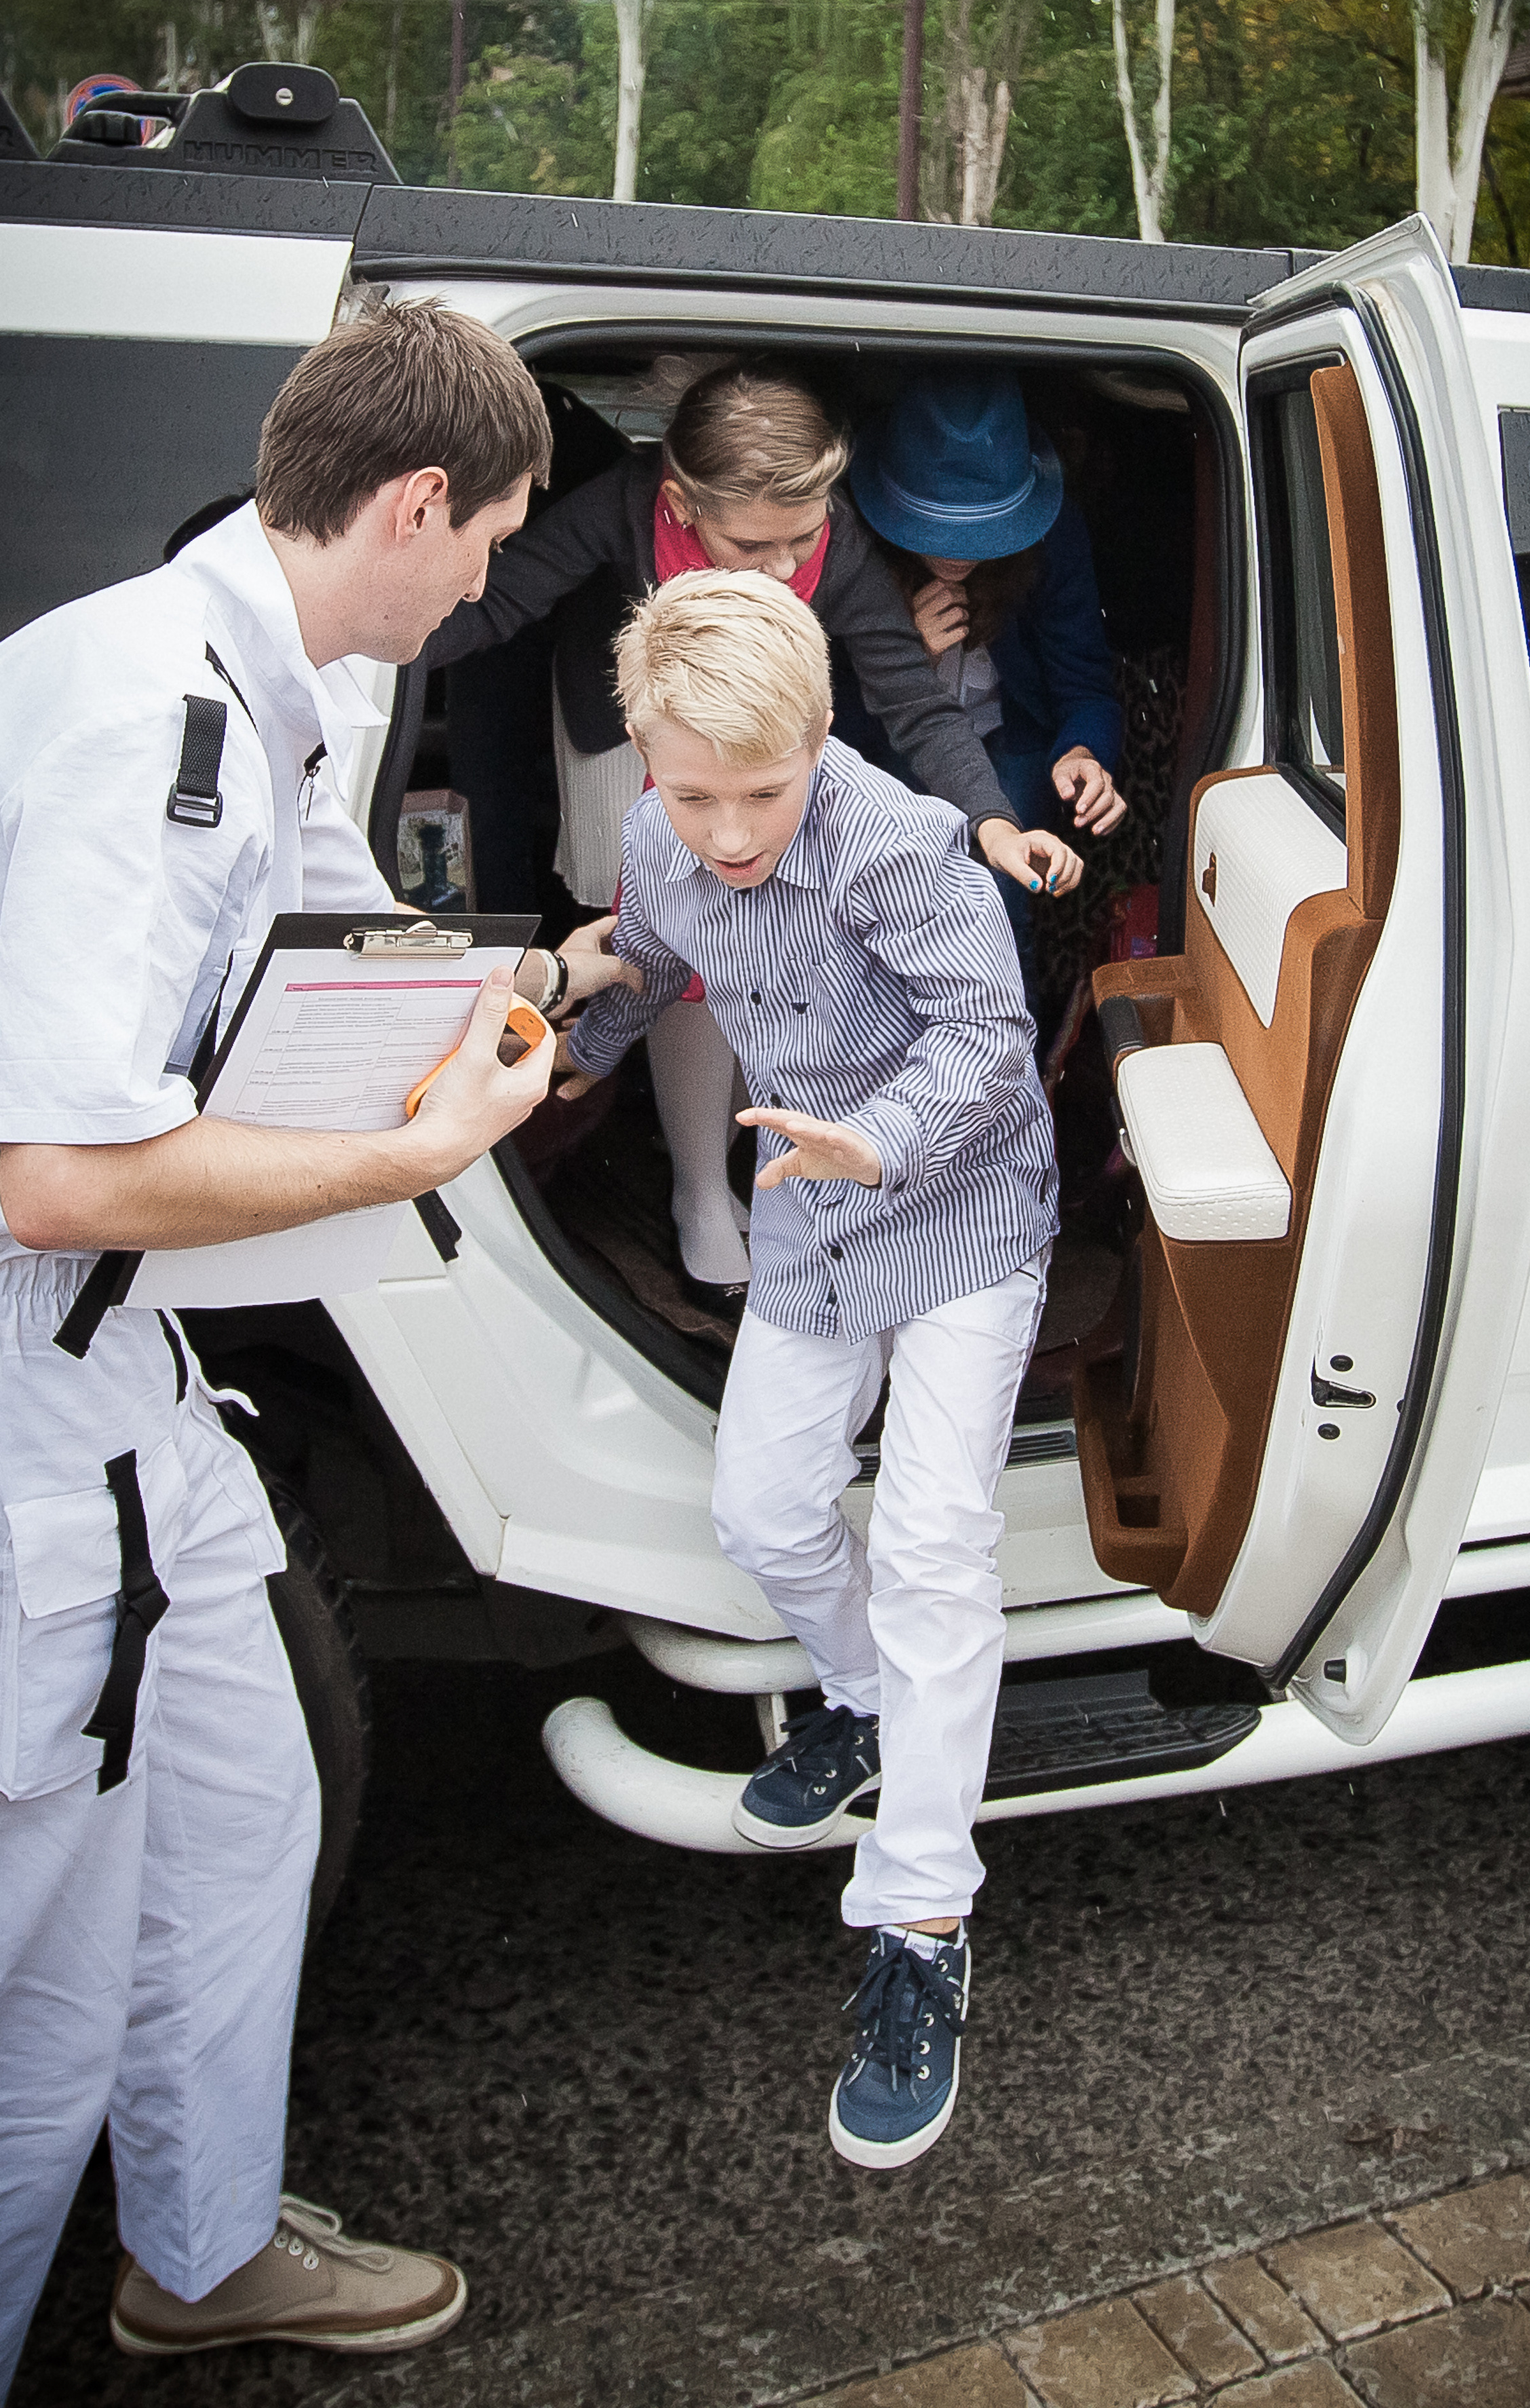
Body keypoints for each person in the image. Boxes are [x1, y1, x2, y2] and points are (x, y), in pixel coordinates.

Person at [0, 298, 634, 2390]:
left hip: (129, 1394)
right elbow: (55, 1173)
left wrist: (540, 985)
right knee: (49, 1985)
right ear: (421, 497)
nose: (483, 590)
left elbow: (361, 961)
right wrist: (409, 1158)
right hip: (29, 1419)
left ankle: (194, 2245)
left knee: (250, 1801)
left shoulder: (251, 691)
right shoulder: (160, 729)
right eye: (486, 544)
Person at [557, 569, 1058, 2170]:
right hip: (809, 1226)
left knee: (924, 1546)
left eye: (756, 792)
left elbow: (985, 1041)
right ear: (645, 761)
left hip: (964, 1213)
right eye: (687, 791)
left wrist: (880, 1138)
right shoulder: (660, 841)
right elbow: (640, 963)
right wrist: (536, 1050)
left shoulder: (902, 846)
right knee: (764, 1516)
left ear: (820, 736)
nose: (719, 831)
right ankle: (851, 1695)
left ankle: (919, 1915)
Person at [425, 357, 1081, 1313]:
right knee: (673, 953)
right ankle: (699, 1188)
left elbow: (912, 700)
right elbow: (501, 601)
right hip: (638, 742)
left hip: (762, 760)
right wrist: (357, 646)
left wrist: (993, 822)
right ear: (682, 505)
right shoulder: (623, 505)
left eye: (799, 540)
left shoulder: (840, 546)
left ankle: (746, 1170)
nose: (781, 568)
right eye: (752, 546)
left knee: (759, 948)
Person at [848, 371, 1128, 994]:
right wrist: (903, 655)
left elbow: (1086, 687)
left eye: (979, 530)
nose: (957, 549)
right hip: (881, 740)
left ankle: (1008, 1070)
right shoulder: (850, 545)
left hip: (1013, 735)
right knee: (882, 902)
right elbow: (818, 723)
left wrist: (1084, 754)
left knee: (1002, 899)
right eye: (939, 527)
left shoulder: (1053, 540)